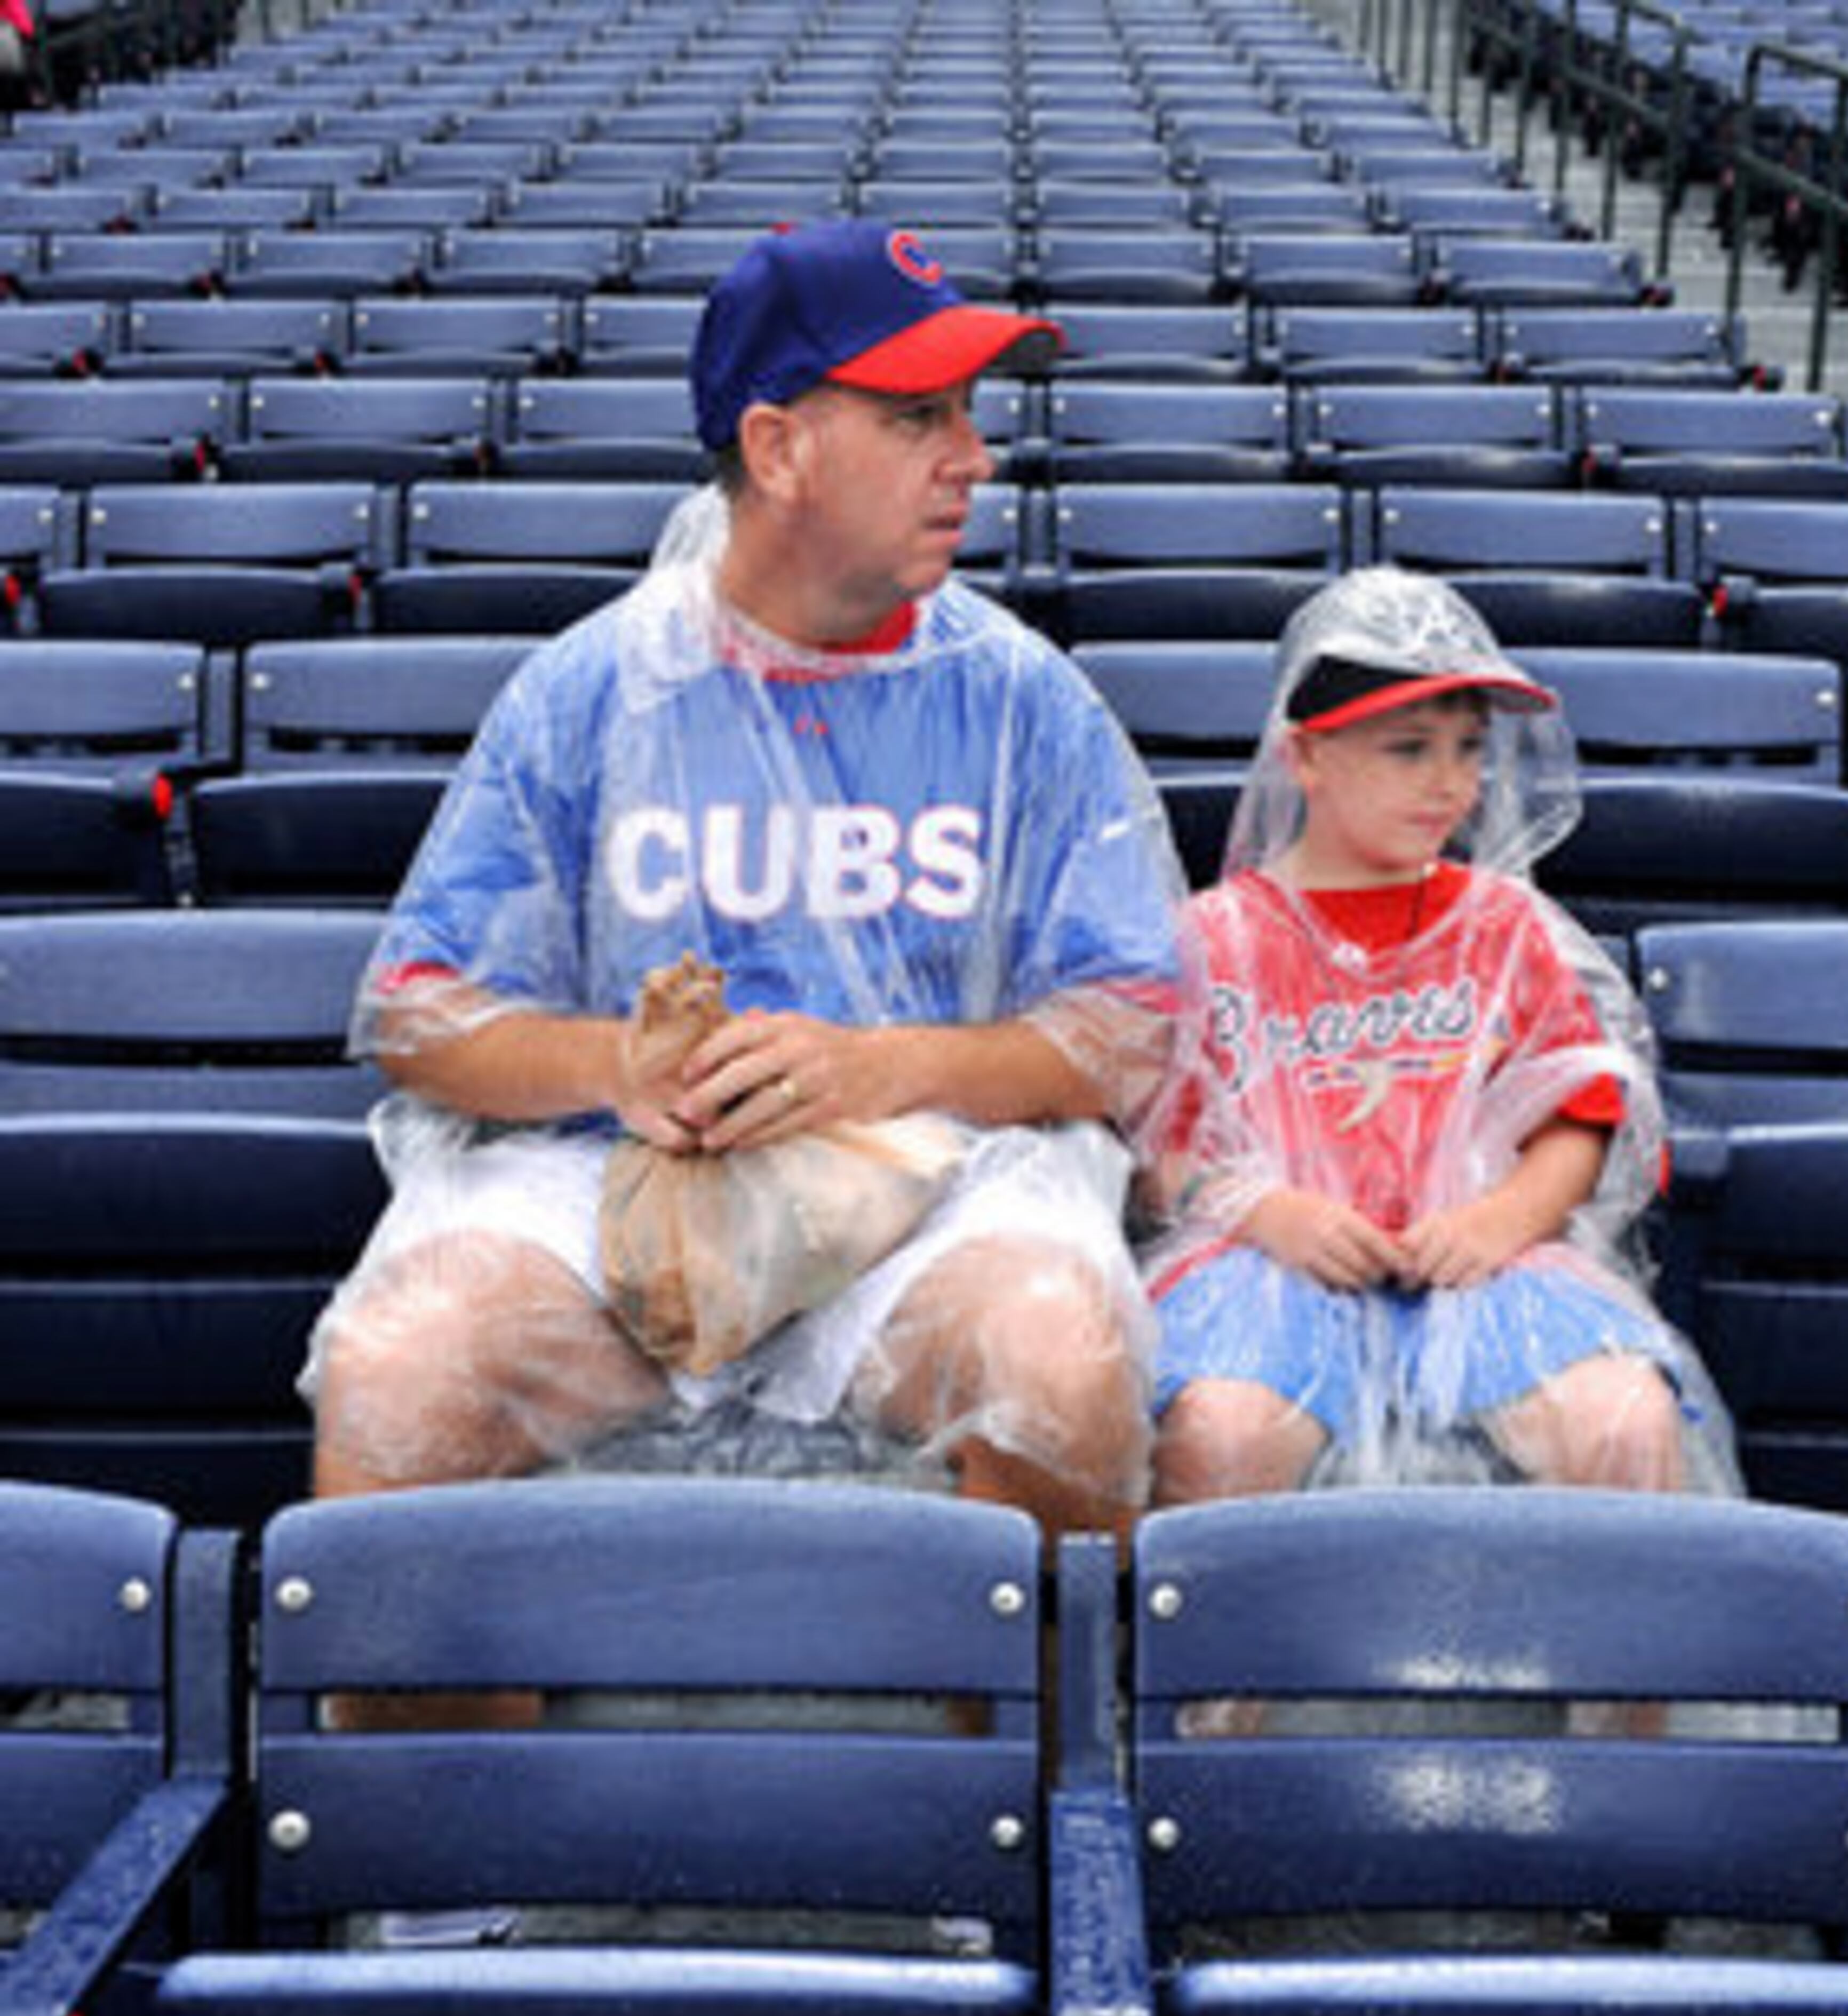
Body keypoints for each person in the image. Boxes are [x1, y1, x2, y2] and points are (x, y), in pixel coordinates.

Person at [305, 218, 1185, 1541]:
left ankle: (1033, 1751)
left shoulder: (1022, 701)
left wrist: (874, 1068)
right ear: (776, 449)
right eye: (915, 418)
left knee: (1063, 1365)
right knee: (400, 1371)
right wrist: (621, 1067)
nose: (973, 458)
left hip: (928, 1189)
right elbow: (420, 1014)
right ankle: (444, 1761)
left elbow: (1129, 1028)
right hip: (615, 1190)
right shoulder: (592, 687)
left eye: (968, 413)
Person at [1142, 565, 1737, 1505]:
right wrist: (1266, 1210)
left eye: (1469, 749)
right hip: (1270, 1266)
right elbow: (1160, 1150)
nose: (1451, 784)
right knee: (1222, 1434)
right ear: (1306, 758)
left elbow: (1576, 1120)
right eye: (1409, 749)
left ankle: (1615, 1652)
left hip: (1481, 1261)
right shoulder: (1216, 935)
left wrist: (1499, 1222)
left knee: (1623, 1419)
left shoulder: (1504, 925)